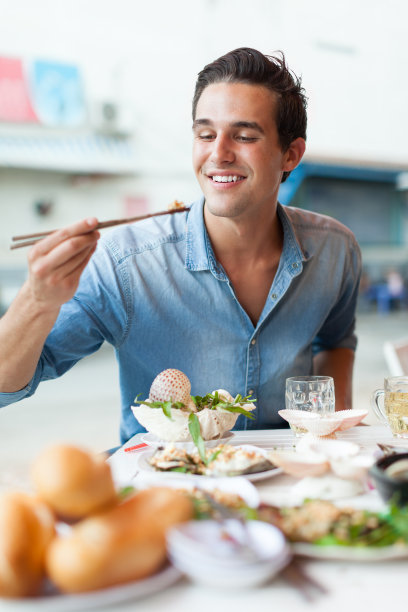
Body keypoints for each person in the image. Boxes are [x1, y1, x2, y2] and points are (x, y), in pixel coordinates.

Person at [0, 47, 361, 444]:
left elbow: (336, 341)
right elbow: (8, 384)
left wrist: (331, 435)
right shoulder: (126, 263)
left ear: (290, 154)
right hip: (167, 487)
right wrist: (36, 299)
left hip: (287, 487)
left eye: (243, 136)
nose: (218, 154)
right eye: (205, 134)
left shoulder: (335, 251)